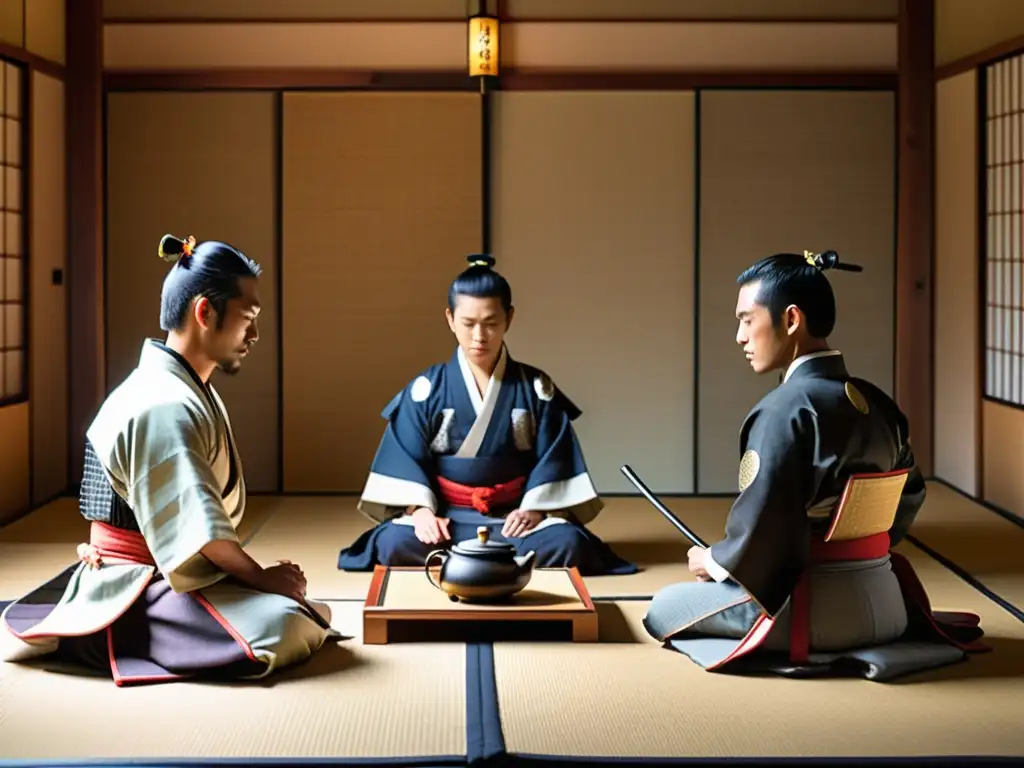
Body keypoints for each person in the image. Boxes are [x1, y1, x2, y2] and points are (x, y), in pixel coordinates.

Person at [1, 234, 337, 686]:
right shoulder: (162, 404)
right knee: (284, 623)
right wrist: (260, 578)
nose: (254, 334)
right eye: (248, 319)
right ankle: (103, 633)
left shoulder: (181, 388)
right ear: (205, 312)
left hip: (174, 567)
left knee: (302, 610)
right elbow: (198, 532)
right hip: (139, 581)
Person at [642, 250, 988, 680]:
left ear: (791, 320)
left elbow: (766, 528)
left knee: (663, 607)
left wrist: (712, 561)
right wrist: (855, 549)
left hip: (811, 611)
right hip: (887, 604)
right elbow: (909, 496)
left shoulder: (783, 411)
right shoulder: (878, 403)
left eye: (747, 320)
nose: (739, 336)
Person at [338, 254, 636, 576]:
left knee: (567, 543)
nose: (479, 336)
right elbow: (405, 457)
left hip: (513, 520)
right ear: (450, 319)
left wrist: (534, 510)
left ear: (509, 318)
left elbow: (555, 457)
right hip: (447, 518)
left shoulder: (535, 387)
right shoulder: (427, 389)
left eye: (491, 323)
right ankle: (484, 559)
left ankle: (462, 561)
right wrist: (420, 511)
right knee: (394, 543)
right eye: (468, 324)